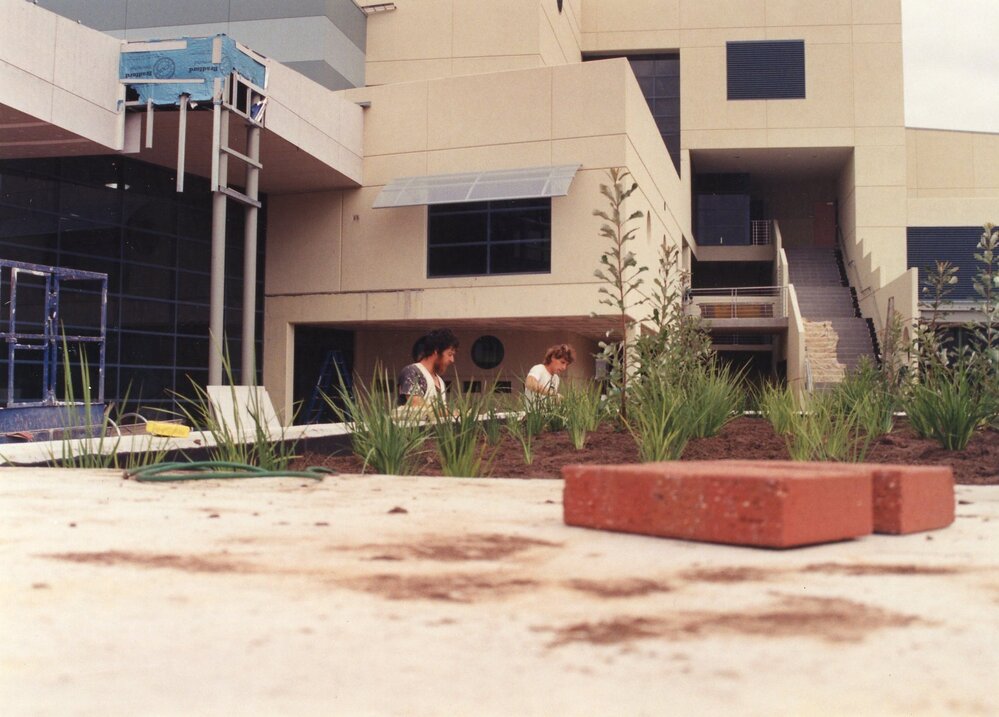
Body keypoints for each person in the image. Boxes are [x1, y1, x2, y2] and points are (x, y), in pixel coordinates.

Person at [397, 328, 459, 410]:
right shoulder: (412, 372)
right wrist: (451, 413)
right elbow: (417, 406)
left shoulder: (439, 380)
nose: (452, 360)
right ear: (436, 351)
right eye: (449, 354)